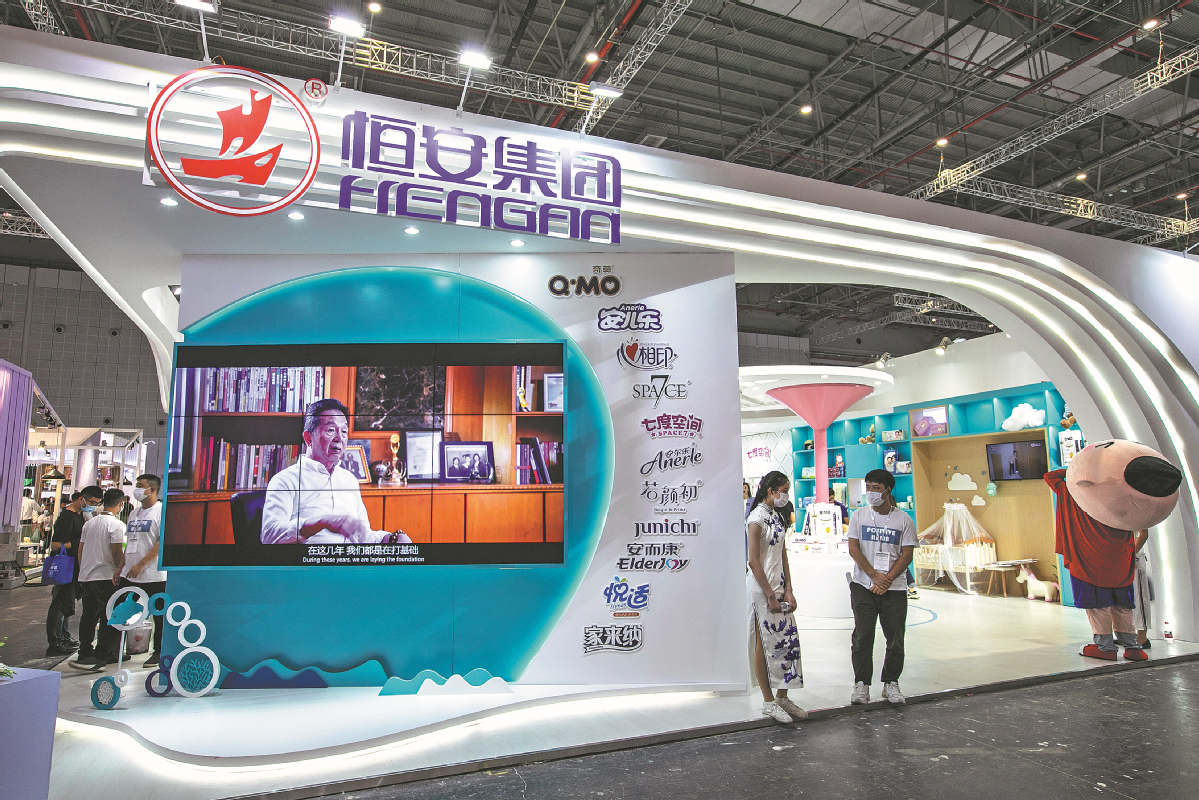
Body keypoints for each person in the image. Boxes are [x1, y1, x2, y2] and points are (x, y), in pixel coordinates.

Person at [262, 399, 411, 545]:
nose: (339, 438)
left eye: (344, 431)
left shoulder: (349, 480)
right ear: (308, 438)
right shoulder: (285, 481)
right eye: (331, 430)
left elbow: (364, 537)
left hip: (350, 559)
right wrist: (322, 522)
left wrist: (391, 538)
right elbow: (269, 535)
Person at [847, 469, 918, 705]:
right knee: (863, 635)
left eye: (876, 488)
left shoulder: (903, 520)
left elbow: (907, 554)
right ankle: (861, 684)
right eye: (868, 487)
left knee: (895, 637)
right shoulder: (858, 516)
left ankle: (891, 682)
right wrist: (874, 576)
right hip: (863, 586)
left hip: (894, 588)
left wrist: (886, 579)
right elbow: (854, 549)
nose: (871, 492)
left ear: (888, 491)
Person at [746, 470, 806, 724]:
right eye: (784, 491)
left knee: (788, 641)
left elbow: (783, 555)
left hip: (780, 589)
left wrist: (788, 589)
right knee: (765, 644)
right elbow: (753, 561)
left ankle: (783, 697)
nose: (786, 496)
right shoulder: (755, 519)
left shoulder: (777, 517)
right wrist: (770, 594)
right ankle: (768, 701)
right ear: (771, 491)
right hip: (762, 591)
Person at [69, 489, 127, 672]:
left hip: (87, 576)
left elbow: (80, 549)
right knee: (112, 616)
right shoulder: (117, 525)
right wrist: (119, 571)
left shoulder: (90, 523)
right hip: (106, 577)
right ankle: (102, 656)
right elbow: (117, 551)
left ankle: (85, 652)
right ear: (121, 504)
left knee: (89, 616)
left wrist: (82, 572)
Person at [44, 486, 103, 657]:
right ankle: (54, 642)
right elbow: (56, 545)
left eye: (96, 504)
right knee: (58, 604)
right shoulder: (67, 517)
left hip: (75, 567)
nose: (93, 506)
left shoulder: (80, 516)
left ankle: (63, 637)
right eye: (91, 502)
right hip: (65, 566)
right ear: (81, 499)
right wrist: (79, 542)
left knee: (66, 603)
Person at [120, 474, 168, 666]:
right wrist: (120, 567)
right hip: (128, 573)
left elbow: (161, 542)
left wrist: (141, 564)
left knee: (159, 615)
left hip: (154, 574)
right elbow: (130, 542)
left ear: (152, 490)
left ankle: (159, 652)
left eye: (140, 486)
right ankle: (113, 651)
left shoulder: (161, 511)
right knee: (119, 611)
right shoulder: (134, 513)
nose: (137, 489)